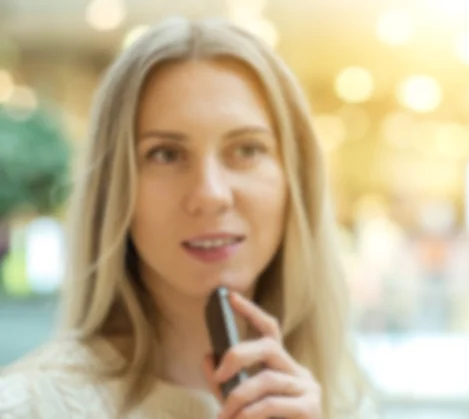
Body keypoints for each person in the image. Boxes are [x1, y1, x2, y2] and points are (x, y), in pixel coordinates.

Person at [0, 17, 375, 419]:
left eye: (247, 149)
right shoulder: (30, 406)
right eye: (166, 154)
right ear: (116, 190)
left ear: (294, 182)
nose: (211, 194)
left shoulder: (343, 397)